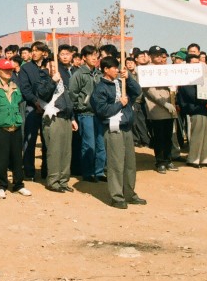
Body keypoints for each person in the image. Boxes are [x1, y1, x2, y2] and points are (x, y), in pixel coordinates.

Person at [91, 56, 145, 209]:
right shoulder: (100, 88)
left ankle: (129, 193)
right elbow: (101, 110)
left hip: (126, 127)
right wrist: (118, 104)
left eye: (117, 67)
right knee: (116, 164)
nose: (117, 70)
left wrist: (129, 78)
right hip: (113, 129)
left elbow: (137, 92)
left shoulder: (122, 83)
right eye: (114, 68)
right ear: (106, 70)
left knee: (129, 163)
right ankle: (117, 196)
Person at [17, 41, 55, 182]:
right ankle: (29, 171)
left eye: (37, 50)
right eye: (32, 50)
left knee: (47, 140)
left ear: (44, 53)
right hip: (32, 107)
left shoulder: (50, 66)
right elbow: (24, 88)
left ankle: (46, 170)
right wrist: (35, 102)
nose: (34, 53)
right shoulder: (26, 68)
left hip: (50, 108)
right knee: (30, 139)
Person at [0, 58, 27, 199]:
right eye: (5, 70)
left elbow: (18, 102)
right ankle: (0, 186)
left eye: (10, 70)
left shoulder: (15, 86)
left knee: (17, 158)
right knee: (1, 159)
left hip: (15, 126)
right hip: (1, 127)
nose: (8, 72)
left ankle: (19, 184)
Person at [42, 45, 77, 193]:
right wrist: (52, 81)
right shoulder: (45, 76)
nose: (64, 57)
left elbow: (69, 98)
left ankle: (63, 180)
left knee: (66, 151)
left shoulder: (68, 75)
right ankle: (53, 180)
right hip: (54, 117)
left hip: (67, 117)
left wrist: (73, 118)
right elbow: (42, 94)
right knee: (55, 150)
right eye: (61, 54)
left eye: (67, 54)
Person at [69, 45, 106, 183]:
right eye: (90, 55)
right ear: (84, 58)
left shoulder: (99, 74)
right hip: (85, 113)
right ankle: (88, 172)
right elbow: (72, 94)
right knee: (89, 144)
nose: (94, 58)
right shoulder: (78, 74)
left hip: (99, 114)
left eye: (96, 55)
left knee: (101, 144)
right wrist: (76, 112)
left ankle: (99, 171)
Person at [143, 45, 178, 172]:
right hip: (156, 107)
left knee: (168, 135)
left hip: (170, 105)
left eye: (160, 55)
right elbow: (149, 90)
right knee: (159, 136)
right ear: (151, 56)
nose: (158, 57)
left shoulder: (165, 69)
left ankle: (168, 160)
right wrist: (164, 103)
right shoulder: (147, 70)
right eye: (155, 55)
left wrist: (174, 89)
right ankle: (160, 161)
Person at [177, 54, 207, 168]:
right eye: (194, 63)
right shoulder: (186, 79)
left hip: (204, 109)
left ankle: (205, 159)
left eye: (197, 63)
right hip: (193, 110)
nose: (196, 66)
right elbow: (193, 95)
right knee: (196, 136)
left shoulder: (200, 77)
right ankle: (193, 159)